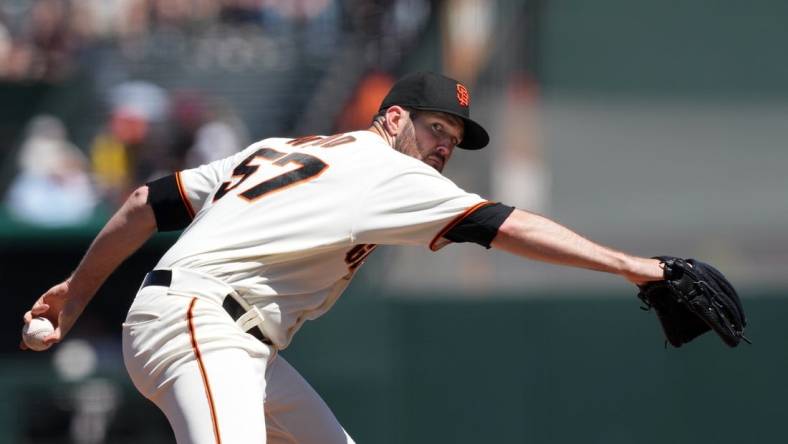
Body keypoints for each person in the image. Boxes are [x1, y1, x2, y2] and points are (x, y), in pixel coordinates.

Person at [22, 72, 664, 444]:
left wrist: (76, 294)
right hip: (203, 326)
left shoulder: (280, 146)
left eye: (456, 138)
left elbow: (145, 202)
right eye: (436, 127)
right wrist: (639, 268)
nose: (446, 146)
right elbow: (503, 225)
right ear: (392, 119)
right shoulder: (387, 169)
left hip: (221, 335)